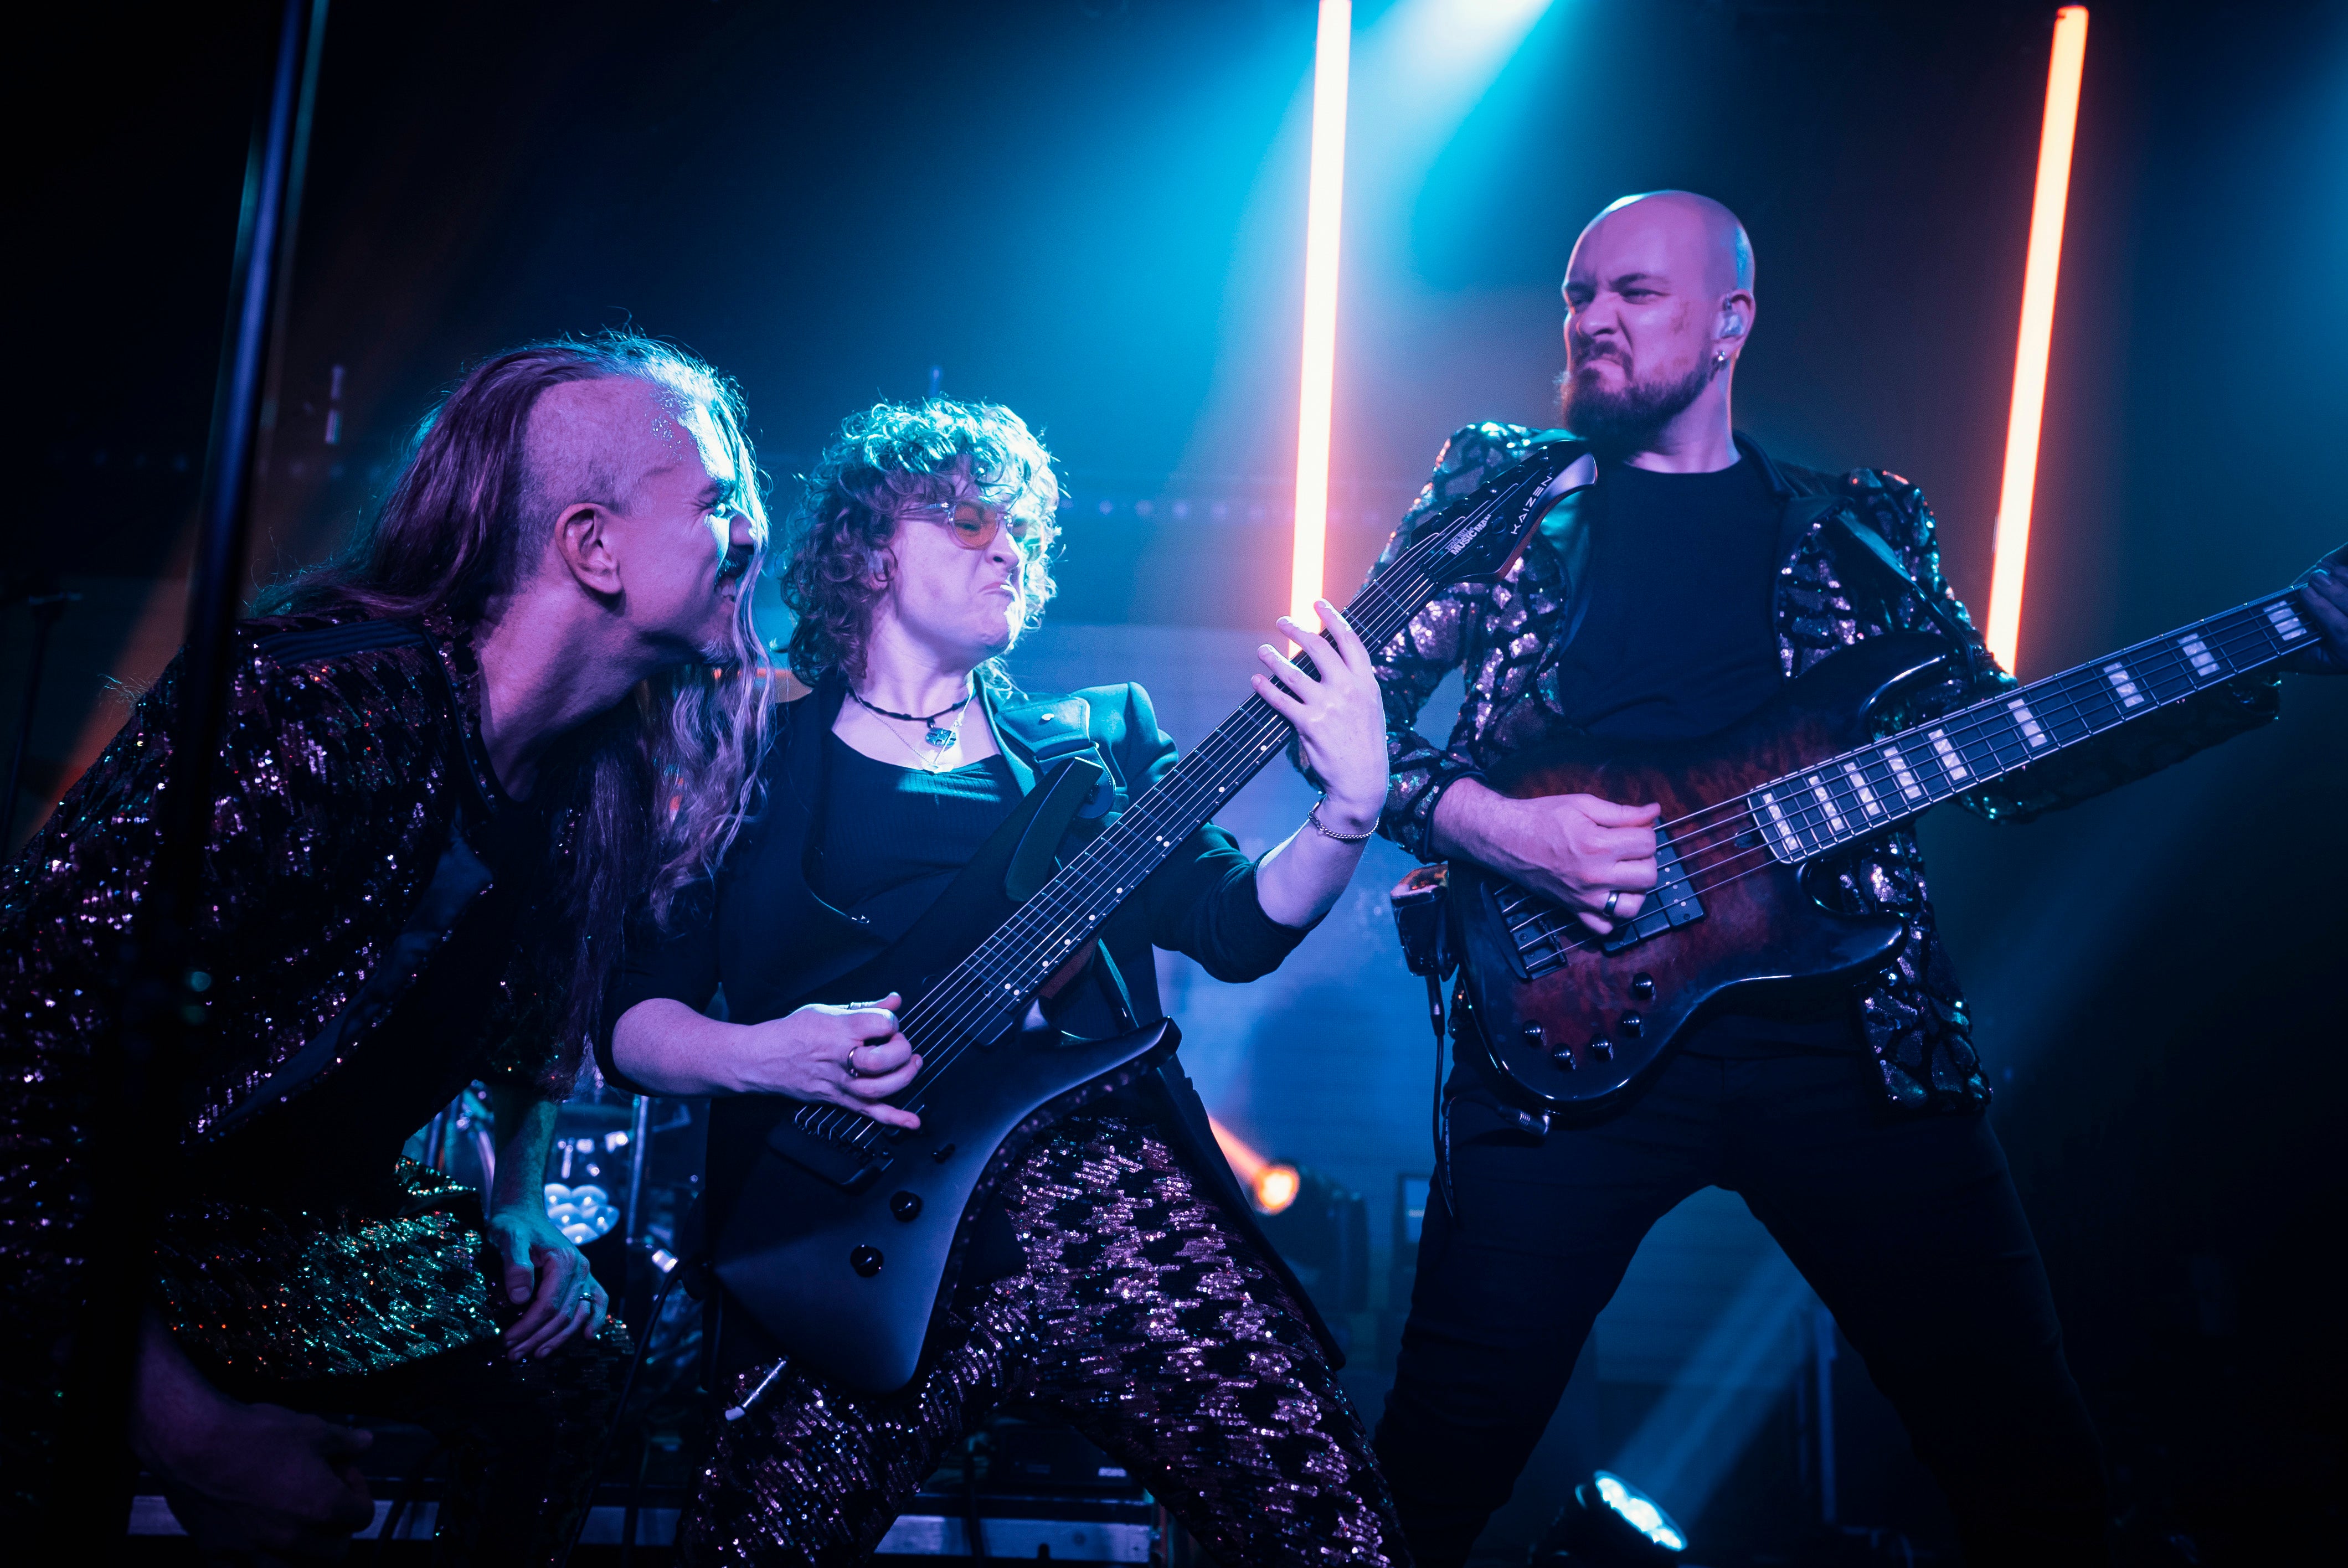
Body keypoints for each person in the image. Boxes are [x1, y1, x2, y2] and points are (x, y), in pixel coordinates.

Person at [1350, 191, 2348, 1566]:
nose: (1589, 320)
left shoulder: (1862, 530)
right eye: (1577, 294)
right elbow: (1341, 717)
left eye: (1633, 294)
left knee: (2032, 1472)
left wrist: (2281, 637)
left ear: (1728, 323)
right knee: (1430, 1476)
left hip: (1853, 1046)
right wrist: (1500, 831)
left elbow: (2015, 758)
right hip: (1562, 1031)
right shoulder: (1501, 492)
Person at [1, 334, 773, 1559]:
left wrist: (521, 1196)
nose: (750, 536)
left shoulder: (583, 781)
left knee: (572, 1363)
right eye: (720, 502)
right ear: (592, 547)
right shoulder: (320, 713)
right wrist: (195, 1432)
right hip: (82, 1232)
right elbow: (15, 1090)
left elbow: (536, 1012)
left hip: (290, 1227)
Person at [603, 398, 1410, 1565]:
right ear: (872, 547)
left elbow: (1235, 927)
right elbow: (630, 1019)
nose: (1009, 548)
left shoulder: (1098, 743)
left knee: (1333, 1532)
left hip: (1098, 1205)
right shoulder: (747, 754)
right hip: (846, 1232)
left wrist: (1348, 808)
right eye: (970, 519)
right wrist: (769, 1052)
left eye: (1023, 528)